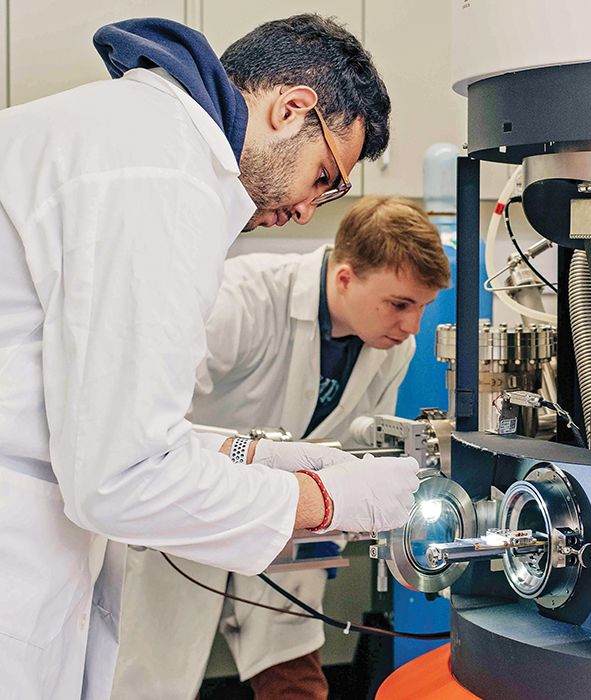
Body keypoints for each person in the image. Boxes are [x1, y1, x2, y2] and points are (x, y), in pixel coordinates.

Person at [0, 15, 420, 700]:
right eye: (326, 177)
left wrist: (252, 455)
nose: (313, 210)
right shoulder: (165, 179)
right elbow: (123, 478)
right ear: (291, 109)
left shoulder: (135, 138)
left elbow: (86, 411)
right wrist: (324, 498)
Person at [110, 197, 451, 700]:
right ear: (345, 277)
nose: (412, 326)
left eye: (421, 307)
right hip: (182, 519)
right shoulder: (241, 298)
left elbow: (363, 439)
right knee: (150, 680)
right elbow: (142, 418)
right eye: (400, 304)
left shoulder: (392, 347)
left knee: (295, 679)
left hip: (290, 532)